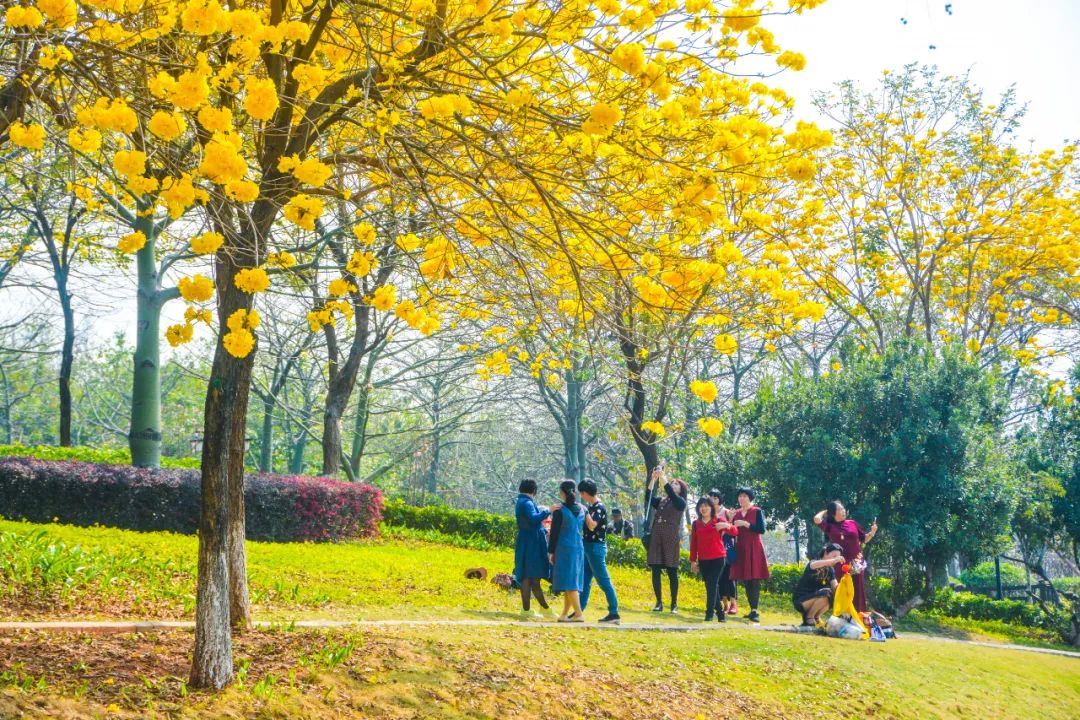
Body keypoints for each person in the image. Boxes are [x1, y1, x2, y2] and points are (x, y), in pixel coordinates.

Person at [814, 501, 877, 613]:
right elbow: (817, 519)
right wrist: (825, 511)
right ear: (833, 513)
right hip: (841, 564)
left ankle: (859, 617)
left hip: (857, 563)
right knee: (843, 590)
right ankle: (842, 617)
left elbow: (864, 539)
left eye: (843, 509)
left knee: (858, 592)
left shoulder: (852, 523)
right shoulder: (830, 527)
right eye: (839, 509)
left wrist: (872, 532)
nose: (843, 511)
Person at [646, 464, 688, 613]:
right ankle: (659, 602)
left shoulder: (680, 502)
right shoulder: (662, 501)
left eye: (676, 484)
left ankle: (674, 603)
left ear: (681, 489)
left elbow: (669, 491)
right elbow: (649, 497)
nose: (672, 485)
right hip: (657, 533)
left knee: (672, 570)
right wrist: (653, 479)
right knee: (655, 568)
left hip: (670, 535)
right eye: (672, 483)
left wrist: (663, 477)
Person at [578, 479, 621, 624]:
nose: (581, 496)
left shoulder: (598, 507)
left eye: (581, 494)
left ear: (585, 493)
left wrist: (584, 511)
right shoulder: (592, 507)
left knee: (603, 581)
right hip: (588, 546)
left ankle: (614, 612)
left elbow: (592, 526)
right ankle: (579, 611)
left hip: (595, 548)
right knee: (584, 581)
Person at [689, 497, 738, 622]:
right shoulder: (696, 524)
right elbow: (694, 543)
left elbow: (734, 532)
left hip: (718, 558)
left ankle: (709, 613)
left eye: (706, 505)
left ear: (711, 507)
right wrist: (693, 561)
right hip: (703, 560)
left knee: (712, 584)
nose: (703, 508)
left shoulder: (718, 520)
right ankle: (720, 614)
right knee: (710, 586)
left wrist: (727, 525)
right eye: (701, 506)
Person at [728, 487, 769, 623]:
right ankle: (752, 609)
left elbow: (761, 529)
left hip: (754, 547)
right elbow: (732, 532)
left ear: (750, 498)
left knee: (754, 579)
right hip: (741, 548)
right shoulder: (737, 513)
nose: (742, 498)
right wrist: (731, 520)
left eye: (745, 496)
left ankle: (755, 611)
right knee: (746, 579)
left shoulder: (757, 511)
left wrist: (746, 524)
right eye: (740, 496)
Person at [548, 479, 586, 622]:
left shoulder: (559, 511)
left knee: (570, 584)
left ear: (562, 493)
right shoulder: (582, 509)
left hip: (564, 548)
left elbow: (554, 533)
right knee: (570, 581)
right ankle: (564, 614)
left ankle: (578, 613)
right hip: (578, 548)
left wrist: (550, 551)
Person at [514, 479, 551, 615]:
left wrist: (544, 531)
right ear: (534, 490)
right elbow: (534, 518)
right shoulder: (527, 502)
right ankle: (527, 609)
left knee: (530, 575)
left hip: (527, 540)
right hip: (532, 543)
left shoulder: (521, 501)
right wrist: (548, 511)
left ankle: (538, 608)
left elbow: (531, 523)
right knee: (529, 575)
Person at [793, 543, 845, 628]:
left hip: (817, 599)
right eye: (834, 555)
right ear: (825, 553)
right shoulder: (814, 563)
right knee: (827, 592)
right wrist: (833, 560)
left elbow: (835, 588)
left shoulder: (830, 570)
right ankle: (809, 617)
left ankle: (816, 617)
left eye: (838, 557)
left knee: (833, 595)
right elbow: (814, 565)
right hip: (802, 600)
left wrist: (846, 580)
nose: (836, 559)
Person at [708, 488, 738, 616]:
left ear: (720, 498)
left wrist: (730, 520)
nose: (713, 500)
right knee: (719, 578)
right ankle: (724, 604)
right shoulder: (707, 512)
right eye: (711, 497)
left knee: (729, 576)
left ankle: (734, 604)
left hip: (726, 546)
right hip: (713, 548)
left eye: (716, 497)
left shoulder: (726, 512)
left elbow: (733, 530)